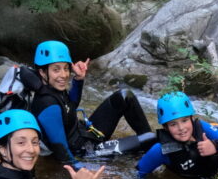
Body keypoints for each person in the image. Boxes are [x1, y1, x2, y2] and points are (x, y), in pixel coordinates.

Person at [29, 40, 155, 168]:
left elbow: (71, 106)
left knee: (124, 96)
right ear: (42, 72)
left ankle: (146, 146)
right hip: (85, 152)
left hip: (86, 133)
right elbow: (62, 151)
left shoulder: (53, 89)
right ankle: (147, 159)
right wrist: (83, 170)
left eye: (66, 68)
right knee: (151, 138)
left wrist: (78, 79)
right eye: (56, 70)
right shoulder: (48, 105)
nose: (63, 75)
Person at [137, 91, 218, 179]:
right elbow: (138, 174)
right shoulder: (160, 151)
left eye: (184, 120)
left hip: (215, 173)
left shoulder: (202, 128)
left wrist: (215, 146)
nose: (181, 128)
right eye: (173, 124)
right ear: (166, 128)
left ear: (192, 119)